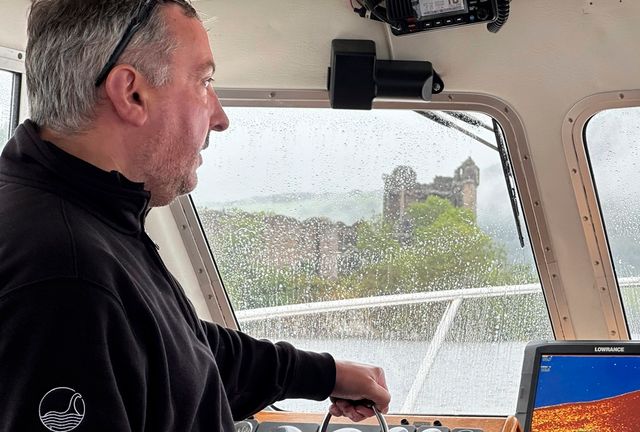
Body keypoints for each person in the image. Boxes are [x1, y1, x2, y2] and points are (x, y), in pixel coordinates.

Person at [0, 0, 390, 431]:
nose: (219, 118)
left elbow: (180, 353)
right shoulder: (64, 276)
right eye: (204, 82)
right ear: (131, 93)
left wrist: (325, 373)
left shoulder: (92, 214)